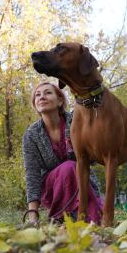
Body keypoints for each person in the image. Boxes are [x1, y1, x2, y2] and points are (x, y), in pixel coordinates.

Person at [22, 82, 102, 226]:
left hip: (82, 181)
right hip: (52, 188)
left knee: (73, 167)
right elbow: (32, 175)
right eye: (37, 95)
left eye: (47, 93)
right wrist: (32, 215)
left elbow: (93, 159)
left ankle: (91, 220)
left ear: (60, 100)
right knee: (69, 167)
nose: (42, 97)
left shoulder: (76, 122)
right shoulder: (31, 135)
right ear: (35, 104)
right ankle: (61, 217)